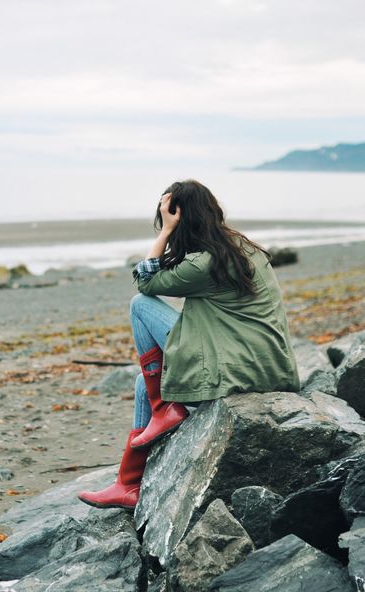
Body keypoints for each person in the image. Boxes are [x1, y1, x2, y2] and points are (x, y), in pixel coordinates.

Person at [78, 179, 300, 510]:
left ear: (181, 218)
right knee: (144, 383)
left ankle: (163, 409)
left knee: (140, 304)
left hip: (240, 367)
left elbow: (146, 281)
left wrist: (165, 232)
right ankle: (128, 483)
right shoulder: (241, 249)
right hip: (267, 364)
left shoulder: (204, 263)